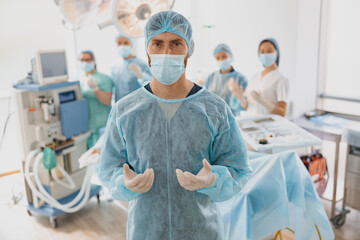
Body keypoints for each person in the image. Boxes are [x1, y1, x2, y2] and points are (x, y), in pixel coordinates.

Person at [97, 11, 252, 240]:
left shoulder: (215, 110)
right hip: (146, 231)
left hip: (200, 231)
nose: (166, 52)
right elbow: (109, 168)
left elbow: (238, 169)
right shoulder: (125, 111)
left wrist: (214, 179)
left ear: (188, 49)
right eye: (157, 44)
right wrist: (123, 181)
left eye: (176, 43)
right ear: (147, 52)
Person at [228, 38, 289, 117]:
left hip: (268, 125)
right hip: (250, 122)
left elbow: (282, 112)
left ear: (276, 53)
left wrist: (263, 102)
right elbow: (247, 107)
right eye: (262, 52)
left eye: (269, 51)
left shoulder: (281, 79)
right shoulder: (255, 77)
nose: (265, 54)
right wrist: (240, 98)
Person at [78, 50, 113, 148]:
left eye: (88, 59)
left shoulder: (103, 78)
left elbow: (107, 101)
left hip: (101, 125)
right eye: (82, 60)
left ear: (93, 61)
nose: (84, 62)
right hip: (87, 127)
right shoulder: (79, 79)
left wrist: (95, 88)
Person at [203, 43, 248, 116]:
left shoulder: (241, 79)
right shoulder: (211, 77)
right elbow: (206, 99)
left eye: (224, 57)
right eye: (218, 58)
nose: (221, 60)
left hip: (233, 119)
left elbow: (245, 106)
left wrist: (239, 97)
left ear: (231, 57)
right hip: (213, 117)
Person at [111, 35, 153, 102]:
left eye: (125, 43)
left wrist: (141, 76)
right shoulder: (115, 68)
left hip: (138, 106)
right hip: (120, 107)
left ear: (131, 45)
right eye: (119, 43)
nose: (122, 46)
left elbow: (153, 86)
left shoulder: (142, 64)